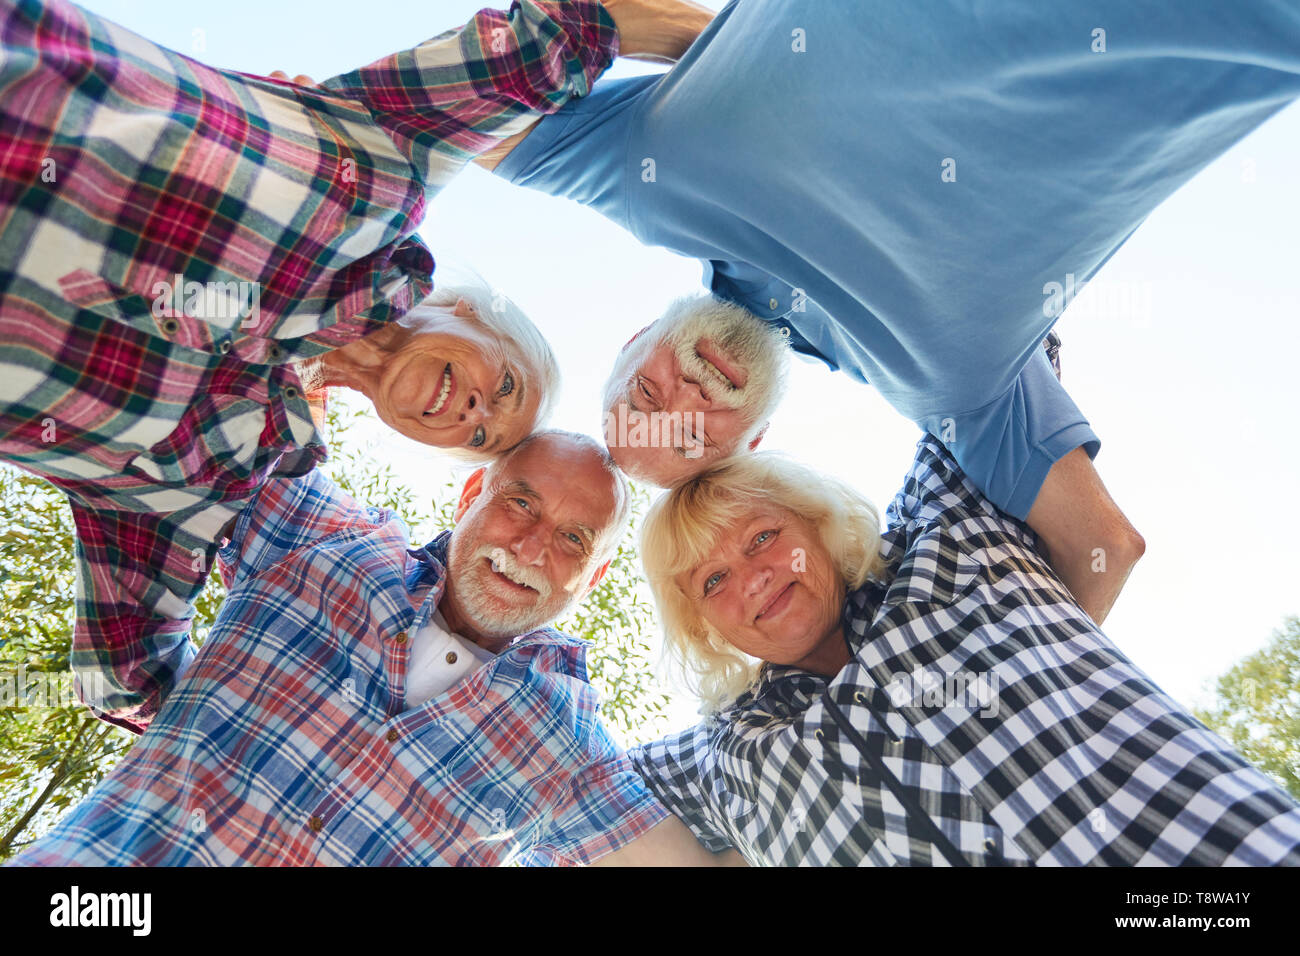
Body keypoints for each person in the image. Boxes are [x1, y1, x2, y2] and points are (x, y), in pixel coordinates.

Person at [0, 0, 714, 728]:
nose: (478, 413)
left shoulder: (220, 475)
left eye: (481, 436)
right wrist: (725, 53)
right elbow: (563, 37)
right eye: (504, 384)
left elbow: (129, 678)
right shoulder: (379, 172)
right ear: (469, 312)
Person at [488, 0, 1300, 624]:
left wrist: (704, 50)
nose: (690, 399)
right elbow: (1107, 550)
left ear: (639, 341)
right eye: (691, 439)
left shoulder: (648, 176)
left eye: (648, 397)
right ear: (750, 442)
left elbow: (476, 100)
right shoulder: (951, 396)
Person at [9, 430, 739, 865]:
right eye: (521, 502)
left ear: (594, 575)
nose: (531, 545)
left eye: (574, 539)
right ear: (472, 493)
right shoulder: (325, 537)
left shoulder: (563, 742)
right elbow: (204, 421)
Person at [626, 435, 1300, 865]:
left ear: (817, 520)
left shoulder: (947, 533)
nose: (754, 579)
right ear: (701, 623)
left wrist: (730, 363)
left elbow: (990, 346)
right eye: (712, 580)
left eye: (763, 537)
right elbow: (553, 780)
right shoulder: (723, 754)